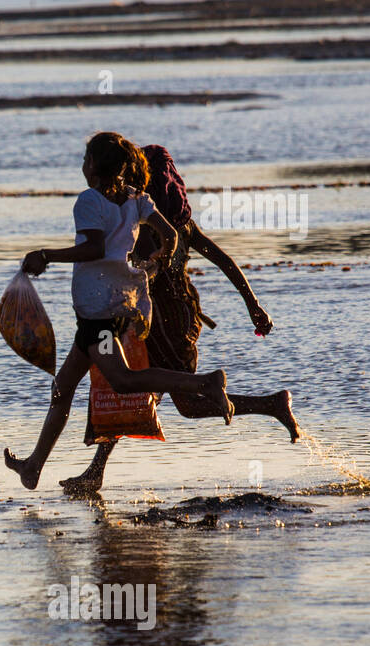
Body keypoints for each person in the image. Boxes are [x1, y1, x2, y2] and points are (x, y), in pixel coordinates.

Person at [59, 143, 301, 493]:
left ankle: (271, 403)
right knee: (127, 387)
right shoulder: (176, 223)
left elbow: (122, 266)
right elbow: (224, 260)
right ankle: (95, 471)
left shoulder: (142, 221)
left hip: (164, 321)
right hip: (168, 315)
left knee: (163, 397)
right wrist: (253, 304)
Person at [4, 132, 232, 491]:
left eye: (84, 160)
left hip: (100, 316)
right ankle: (33, 466)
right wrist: (150, 266)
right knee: (63, 387)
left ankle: (206, 383)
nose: (81, 166)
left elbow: (93, 248)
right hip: (108, 309)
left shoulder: (89, 201)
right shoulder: (136, 199)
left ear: (93, 165)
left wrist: (46, 255)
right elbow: (170, 237)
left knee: (123, 380)